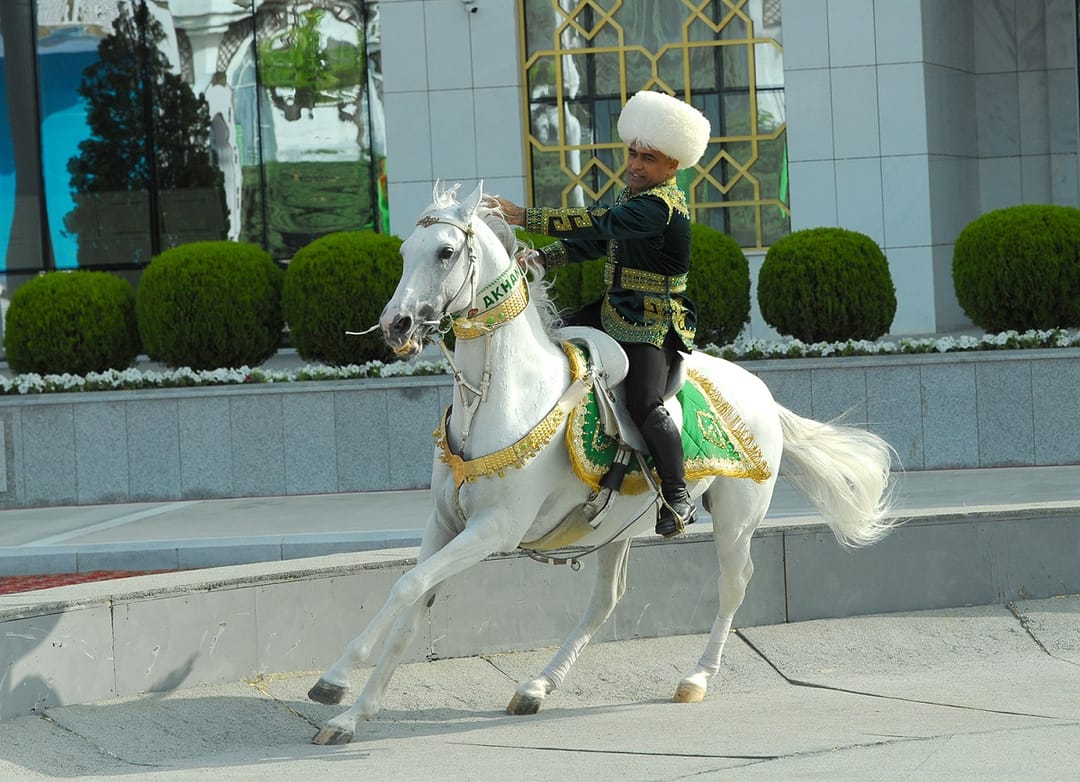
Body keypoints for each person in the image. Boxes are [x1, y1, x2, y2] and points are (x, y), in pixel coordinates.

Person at [493, 90, 712, 539]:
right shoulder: (631, 195)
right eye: (632, 152)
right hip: (610, 310)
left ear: (672, 166)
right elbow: (594, 242)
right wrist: (540, 260)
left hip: (653, 322)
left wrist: (522, 216)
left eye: (647, 158)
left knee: (645, 404)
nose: (634, 164)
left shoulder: (660, 207)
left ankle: (678, 494)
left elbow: (599, 224)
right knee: (552, 358)